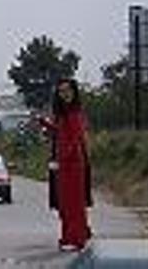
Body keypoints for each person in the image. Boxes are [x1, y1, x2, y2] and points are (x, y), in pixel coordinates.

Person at [35, 78, 92, 251]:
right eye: (61, 91)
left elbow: (75, 138)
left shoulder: (75, 112)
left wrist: (63, 158)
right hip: (64, 163)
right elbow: (60, 133)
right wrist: (45, 123)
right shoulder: (63, 113)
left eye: (68, 90)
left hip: (73, 163)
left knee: (74, 203)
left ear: (74, 92)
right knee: (65, 203)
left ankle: (78, 238)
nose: (65, 94)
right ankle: (69, 236)